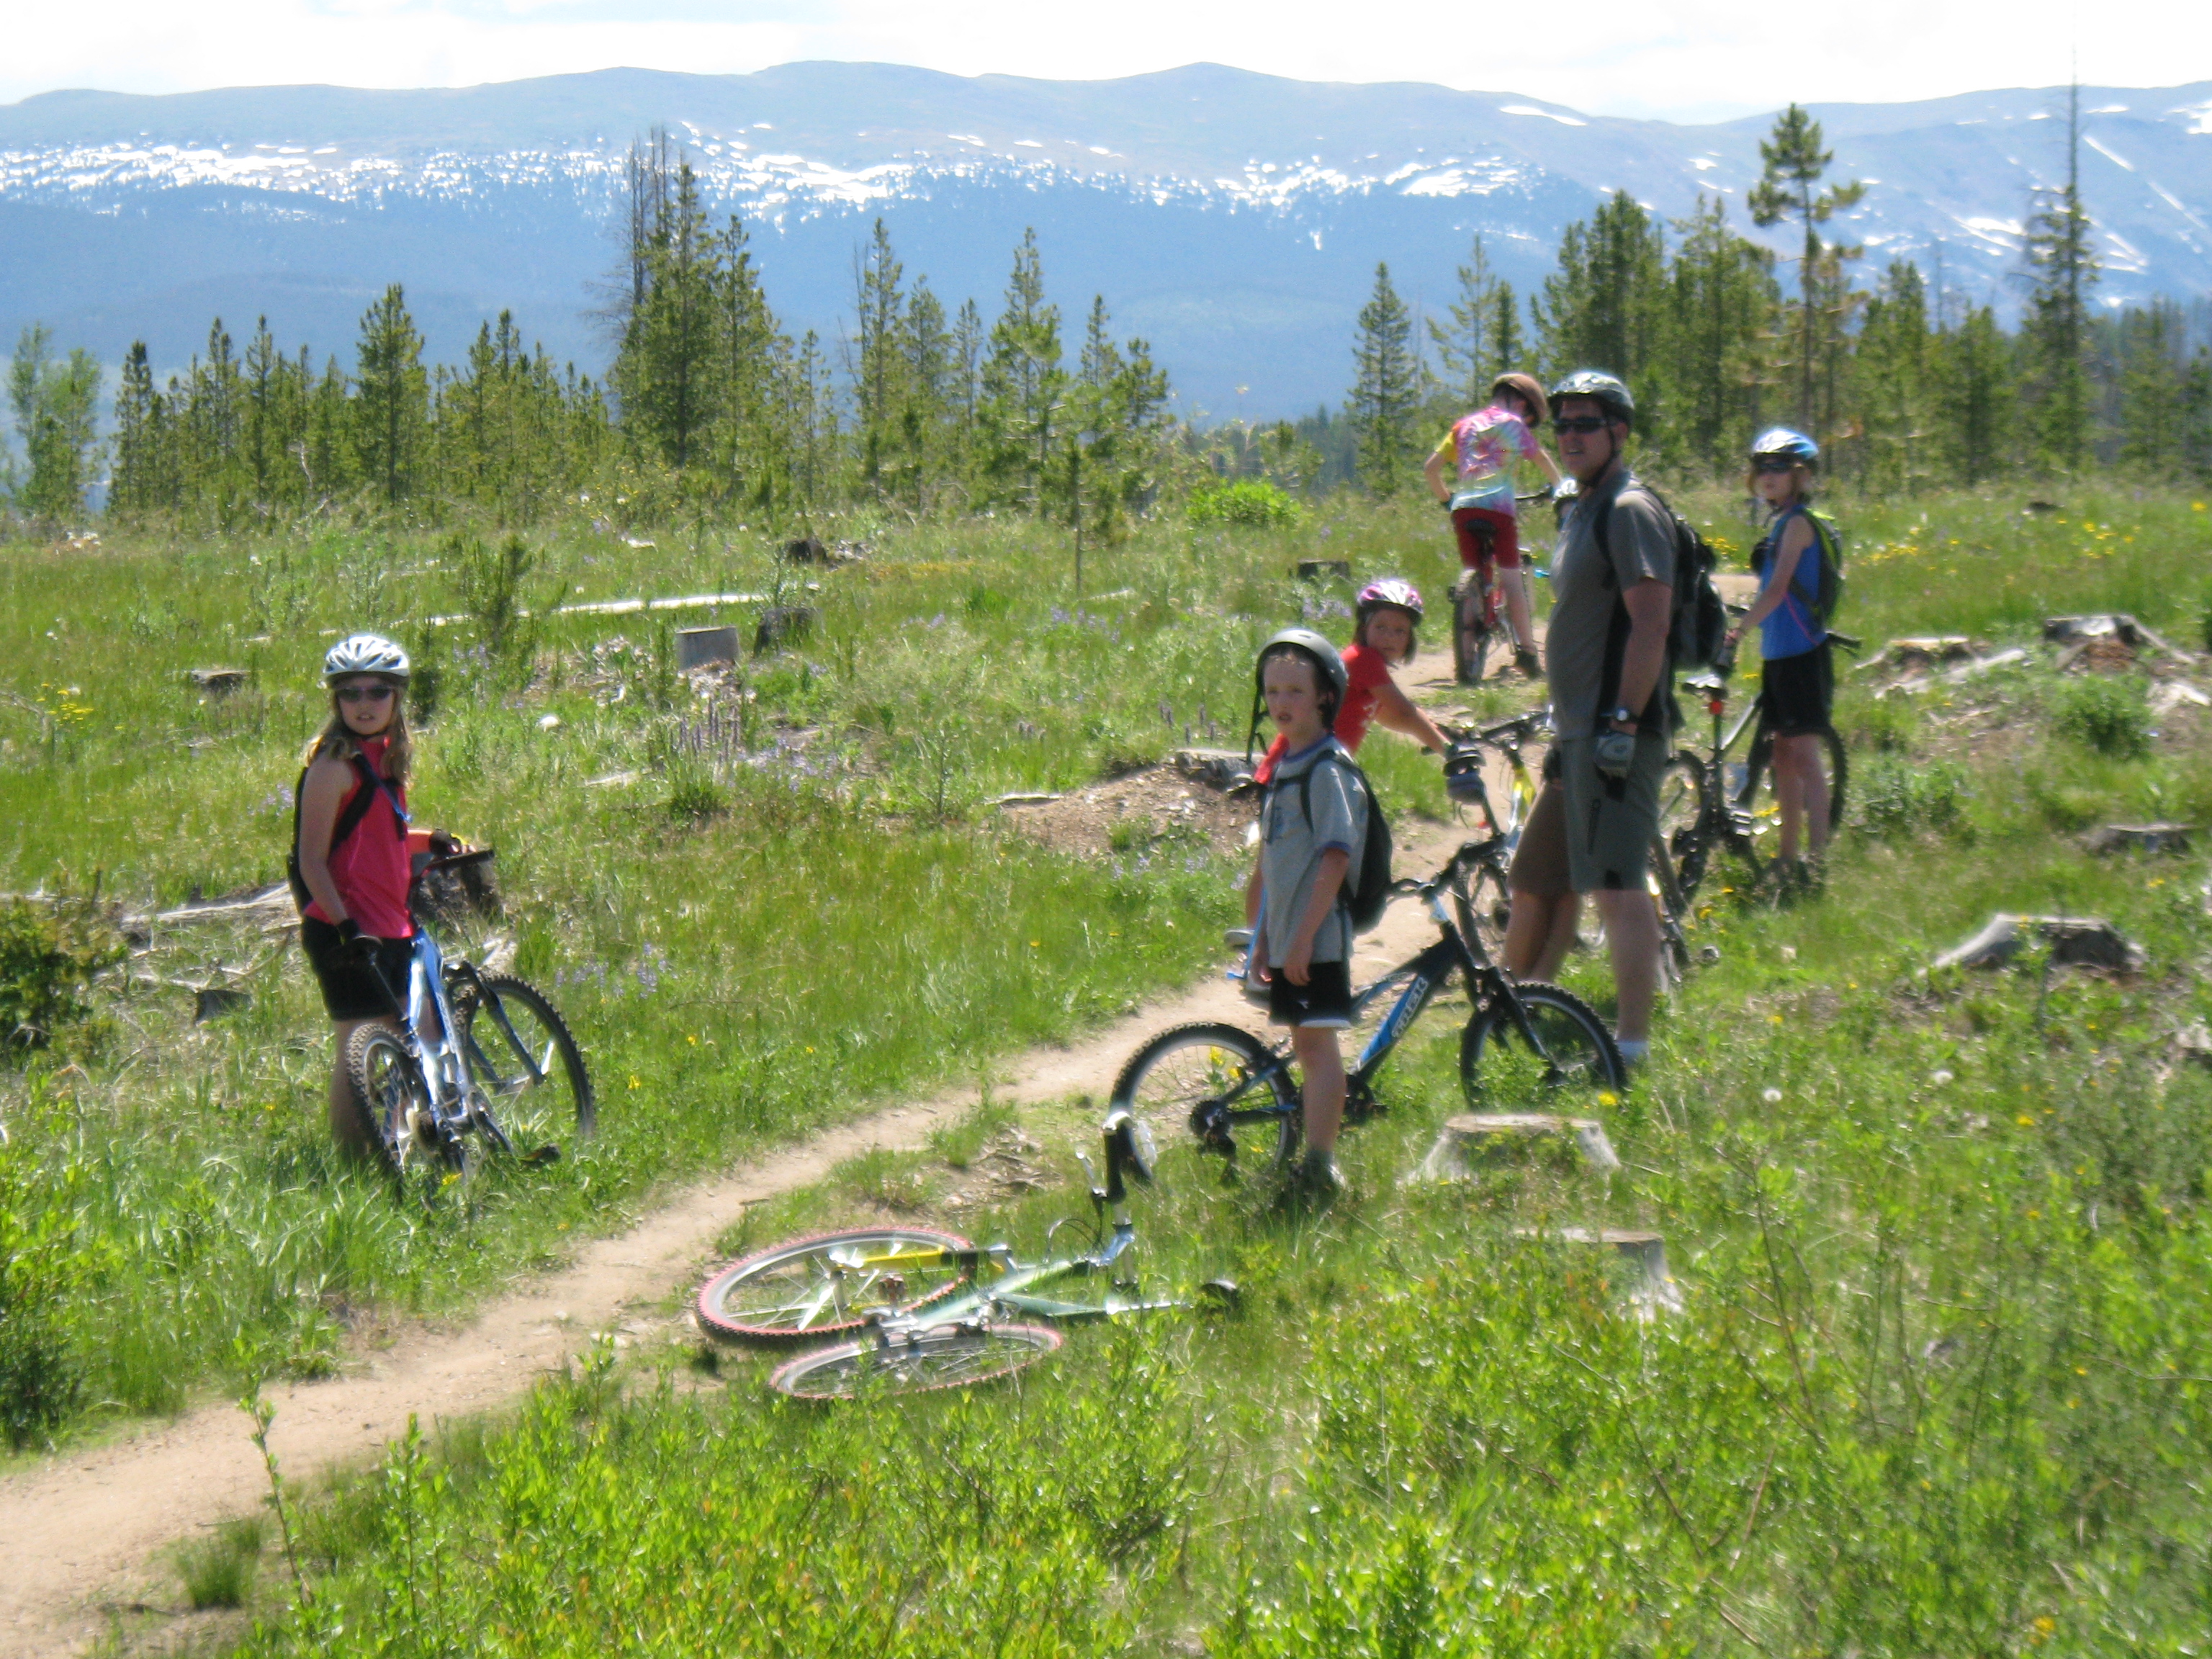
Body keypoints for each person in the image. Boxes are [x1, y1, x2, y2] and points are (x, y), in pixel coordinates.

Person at [1501, 371, 1673, 1070]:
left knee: (1616, 885)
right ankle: (1519, 1011)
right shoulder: (1582, 508)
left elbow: (1652, 622)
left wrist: (1623, 722)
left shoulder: (1629, 510)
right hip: (1574, 733)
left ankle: (1630, 1047)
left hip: (1614, 731)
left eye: (1585, 424)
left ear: (1618, 432)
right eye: (1562, 424)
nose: (1570, 436)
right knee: (1535, 876)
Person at [1244, 627, 1367, 1197]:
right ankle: (1315, 1160)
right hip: (1291, 938)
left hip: (1315, 940)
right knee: (1306, 1046)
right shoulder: (1285, 767)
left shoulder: (1326, 770)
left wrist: (1301, 939)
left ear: (1324, 697)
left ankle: (1321, 1166)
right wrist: (1264, 935)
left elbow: (1335, 858)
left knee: (1317, 1050)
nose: (1281, 703)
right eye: (1272, 692)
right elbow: (1273, 864)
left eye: (1295, 690)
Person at [294, 633, 423, 1154]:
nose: (364, 704)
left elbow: (376, 835)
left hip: (390, 924)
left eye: (377, 691)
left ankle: (392, 1149)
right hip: (344, 928)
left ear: (397, 697)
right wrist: (348, 927)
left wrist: (430, 839)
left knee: (402, 1040)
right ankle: (352, 1165)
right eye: (350, 693)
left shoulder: (385, 759)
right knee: (357, 1050)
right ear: (336, 700)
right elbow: (312, 859)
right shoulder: (333, 767)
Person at [1725, 427, 1834, 878]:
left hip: (1802, 656)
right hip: (1779, 655)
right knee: (1782, 758)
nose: (1768, 476)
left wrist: (1739, 630)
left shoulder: (1798, 525)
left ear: (1800, 476)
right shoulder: (1779, 523)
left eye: (1779, 468)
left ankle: (1818, 863)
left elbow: (1776, 590)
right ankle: (1787, 858)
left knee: (1805, 758)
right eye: (1762, 467)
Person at [1424, 372, 1565, 678]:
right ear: (1523, 405)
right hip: (1500, 510)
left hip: (1464, 509)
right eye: (1530, 417)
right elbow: (1542, 460)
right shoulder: (1514, 425)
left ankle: (1469, 637)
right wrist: (1561, 490)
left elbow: (1431, 469)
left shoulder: (1463, 426)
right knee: (1512, 579)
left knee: (1472, 570)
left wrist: (1447, 501)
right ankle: (1527, 654)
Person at [1252, 578, 1452, 784]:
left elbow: (1391, 717)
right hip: (1296, 772)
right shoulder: (1364, 659)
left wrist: (1438, 732)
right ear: (1364, 628)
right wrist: (1450, 751)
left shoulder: (1367, 665)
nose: (1389, 637)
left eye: (1399, 630)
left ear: (1410, 638)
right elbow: (1405, 713)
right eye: (1381, 627)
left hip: (1309, 770)